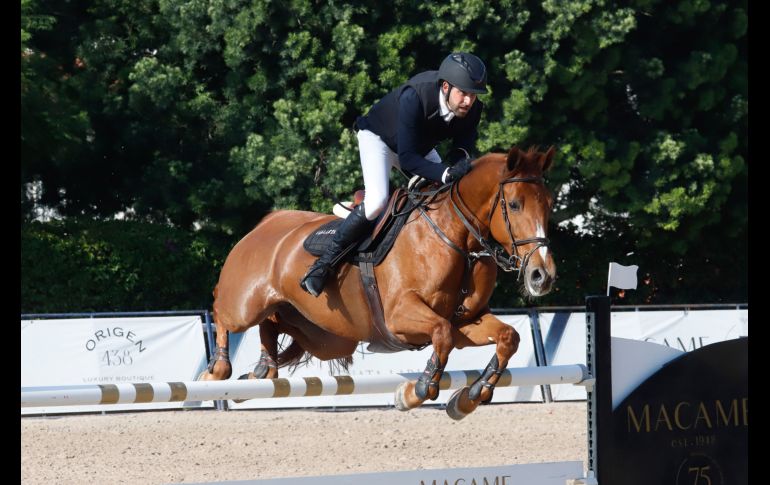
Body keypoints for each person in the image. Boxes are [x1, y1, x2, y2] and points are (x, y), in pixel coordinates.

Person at [300, 52, 488, 297]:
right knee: (378, 201)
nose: (468, 100)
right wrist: (445, 172)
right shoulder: (415, 97)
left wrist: (456, 166)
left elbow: (462, 145)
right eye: (463, 93)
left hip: (415, 146)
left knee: (445, 196)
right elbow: (408, 159)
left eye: (473, 94)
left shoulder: (472, 108)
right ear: (445, 86)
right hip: (378, 138)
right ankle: (322, 266)